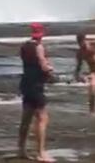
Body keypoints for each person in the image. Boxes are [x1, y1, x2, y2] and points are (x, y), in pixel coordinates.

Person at [18, 23, 55, 162]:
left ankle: (21, 149)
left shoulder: (24, 46)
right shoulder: (38, 47)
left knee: (26, 118)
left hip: (26, 83)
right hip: (36, 85)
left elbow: (27, 63)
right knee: (42, 118)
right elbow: (42, 65)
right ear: (42, 34)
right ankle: (41, 153)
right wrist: (50, 70)